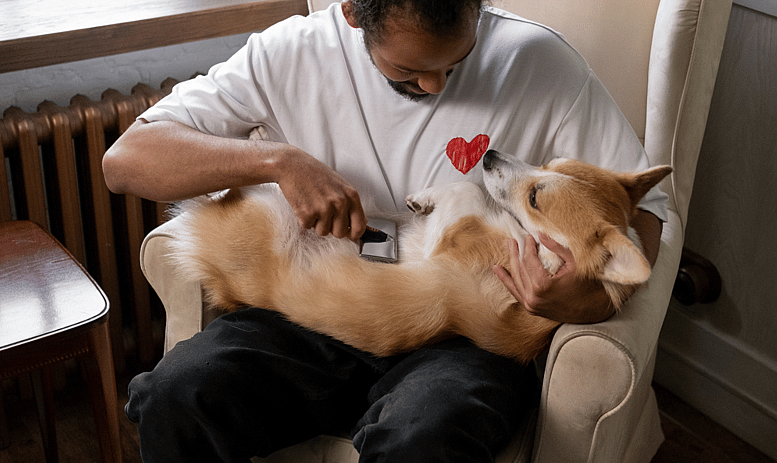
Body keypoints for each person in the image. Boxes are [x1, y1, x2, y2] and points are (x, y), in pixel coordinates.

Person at [103, 0, 668, 461]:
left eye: (456, 61)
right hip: (314, 311)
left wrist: (583, 300)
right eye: (408, 70)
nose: (435, 84)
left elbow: (644, 213)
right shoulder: (291, 52)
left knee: (425, 435)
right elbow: (127, 160)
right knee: (175, 394)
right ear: (353, 13)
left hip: (463, 334)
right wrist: (277, 162)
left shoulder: (542, 62)